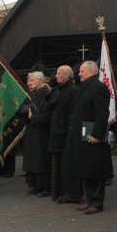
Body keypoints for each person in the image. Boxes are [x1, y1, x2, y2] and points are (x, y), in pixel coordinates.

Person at [63, 60, 112, 214]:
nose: (79, 73)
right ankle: (90, 200)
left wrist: (97, 134)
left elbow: (102, 114)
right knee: (85, 170)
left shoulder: (99, 88)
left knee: (95, 171)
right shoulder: (84, 87)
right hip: (81, 137)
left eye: (82, 71)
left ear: (91, 71)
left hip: (92, 137)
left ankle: (97, 203)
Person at [47, 65, 79, 202]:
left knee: (67, 165)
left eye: (59, 73)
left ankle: (69, 193)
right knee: (58, 164)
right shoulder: (58, 90)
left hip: (65, 133)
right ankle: (58, 192)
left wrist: (65, 128)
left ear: (67, 75)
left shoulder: (73, 90)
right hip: (56, 132)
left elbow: (71, 113)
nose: (56, 76)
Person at [23, 71, 52, 197]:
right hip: (32, 130)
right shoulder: (32, 94)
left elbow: (47, 115)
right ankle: (35, 184)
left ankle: (44, 187)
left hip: (42, 132)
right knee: (33, 159)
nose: (29, 83)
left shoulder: (47, 94)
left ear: (40, 81)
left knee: (41, 159)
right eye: (29, 81)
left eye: (32, 80)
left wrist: (32, 116)